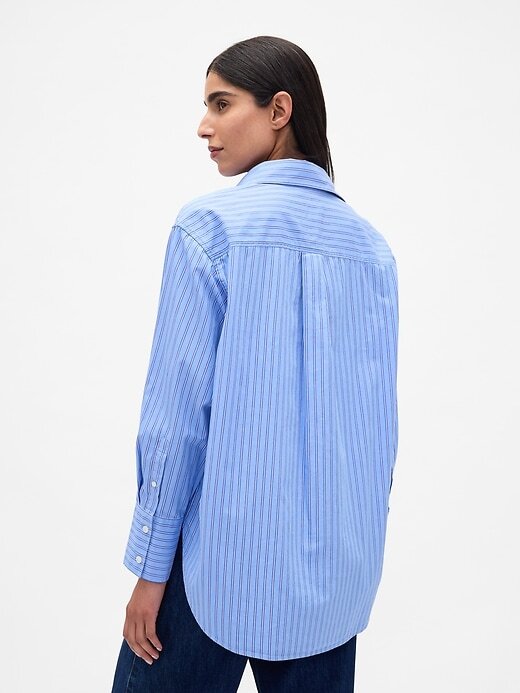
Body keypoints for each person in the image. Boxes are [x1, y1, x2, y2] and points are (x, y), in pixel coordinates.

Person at [111, 35, 399, 693]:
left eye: (221, 103)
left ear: (279, 110)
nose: (203, 125)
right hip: (333, 579)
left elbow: (177, 422)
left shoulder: (209, 228)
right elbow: (378, 432)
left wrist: (149, 571)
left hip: (216, 566)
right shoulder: (371, 249)